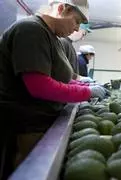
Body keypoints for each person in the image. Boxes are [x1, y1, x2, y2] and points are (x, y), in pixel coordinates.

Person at [0, 0, 108, 178]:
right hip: (25, 126)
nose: (76, 29)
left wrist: (85, 85)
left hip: (39, 122)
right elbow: (39, 86)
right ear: (61, 9)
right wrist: (86, 92)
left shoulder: (52, 37)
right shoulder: (30, 30)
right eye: (76, 22)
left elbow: (61, 78)